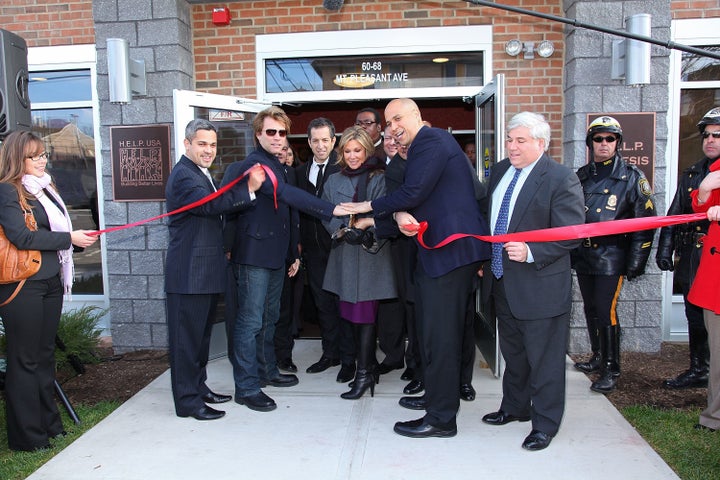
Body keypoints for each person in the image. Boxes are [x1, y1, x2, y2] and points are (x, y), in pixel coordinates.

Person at [342, 98, 490, 438]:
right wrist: (394, 215)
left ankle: (441, 419)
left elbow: (413, 191)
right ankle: (438, 401)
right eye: (388, 122)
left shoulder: (433, 140)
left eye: (398, 118)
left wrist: (368, 206)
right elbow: (416, 199)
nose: (392, 126)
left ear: (417, 116)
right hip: (436, 257)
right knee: (432, 336)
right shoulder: (424, 148)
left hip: (450, 256)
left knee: (441, 338)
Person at [221, 106, 346, 412]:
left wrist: (292, 254)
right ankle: (247, 387)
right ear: (258, 135)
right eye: (271, 132)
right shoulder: (255, 166)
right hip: (253, 257)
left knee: (269, 318)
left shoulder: (274, 164)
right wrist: (332, 209)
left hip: (276, 257)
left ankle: (267, 371)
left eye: (282, 132)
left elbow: (286, 216)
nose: (278, 138)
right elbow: (289, 196)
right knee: (250, 321)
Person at [480, 112, 585, 451]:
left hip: (540, 284)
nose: (512, 146)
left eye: (520, 140)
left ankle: (545, 424)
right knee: (514, 353)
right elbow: (490, 220)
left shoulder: (559, 178)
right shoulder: (498, 171)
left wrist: (531, 251)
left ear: (541, 143)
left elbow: (572, 232)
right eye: (510, 139)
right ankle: (514, 407)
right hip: (501, 281)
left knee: (545, 359)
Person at [0, 130, 98, 451]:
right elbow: (22, 238)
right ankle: (28, 438)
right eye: (35, 156)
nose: (42, 161)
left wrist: (73, 240)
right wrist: (70, 238)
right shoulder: (7, 192)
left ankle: (50, 427)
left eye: (44, 155)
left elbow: (54, 231)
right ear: (18, 159)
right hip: (23, 285)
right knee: (24, 360)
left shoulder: (44, 188)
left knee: (43, 357)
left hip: (50, 280)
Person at [165, 119, 265, 421]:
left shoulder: (198, 172)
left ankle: (199, 388)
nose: (208, 150)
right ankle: (187, 402)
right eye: (202, 144)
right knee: (187, 343)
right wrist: (248, 188)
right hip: (188, 276)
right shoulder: (184, 176)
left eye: (212, 145)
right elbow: (210, 205)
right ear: (187, 144)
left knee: (200, 339)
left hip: (204, 273)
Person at [571, 116, 656, 394]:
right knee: (590, 309)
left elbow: (645, 222)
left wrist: (636, 262)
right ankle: (597, 357)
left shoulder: (631, 177)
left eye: (610, 139)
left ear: (618, 143)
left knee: (606, 311)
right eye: (598, 139)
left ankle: (611, 367)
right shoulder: (580, 176)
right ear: (590, 143)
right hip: (584, 256)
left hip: (612, 256)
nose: (604, 144)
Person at [321, 126, 397, 399]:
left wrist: (365, 232)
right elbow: (325, 211)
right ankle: (368, 367)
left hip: (371, 256)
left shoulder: (380, 178)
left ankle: (364, 374)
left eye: (358, 150)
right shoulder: (332, 180)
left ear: (367, 150)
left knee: (365, 316)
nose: (353, 156)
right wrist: (341, 229)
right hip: (344, 254)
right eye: (348, 151)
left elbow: (388, 214)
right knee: (350, 315)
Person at [657, 107, 719, 389]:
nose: (710, 140)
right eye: (706, 135)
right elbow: (675, 213)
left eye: (717, 135)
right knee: (694, 313)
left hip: (715, 254)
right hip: (693, 253)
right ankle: (699, 368)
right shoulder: (693, 172)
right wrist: (664, 248)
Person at [297, 117, 355, 382]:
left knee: (343, 303)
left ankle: (348, 358)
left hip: (340, 247)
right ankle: (329, 353)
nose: (321, 146)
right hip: (313, 251)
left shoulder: (345, 169)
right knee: (322, 303)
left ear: (334, 141)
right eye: (315, 140)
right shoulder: (299, 172)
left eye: (326, 140)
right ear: (309, 142)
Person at [687, 155, 720, 431]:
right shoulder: (716, 171)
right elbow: (700, 205)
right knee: (718, 354)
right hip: (717, 281)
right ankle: (714, 417)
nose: (712, 139)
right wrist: (707, 189)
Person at [274, 140, 302, 373]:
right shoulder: (259, 170)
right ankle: (265, 358)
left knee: (284, 310)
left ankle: (284, 357)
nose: (283, 153)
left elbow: (294, 217)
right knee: (263, 313)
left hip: (285, 255)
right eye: (279, 148)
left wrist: (295, 255)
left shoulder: (291, 174)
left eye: (286, 149)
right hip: (262, 255)